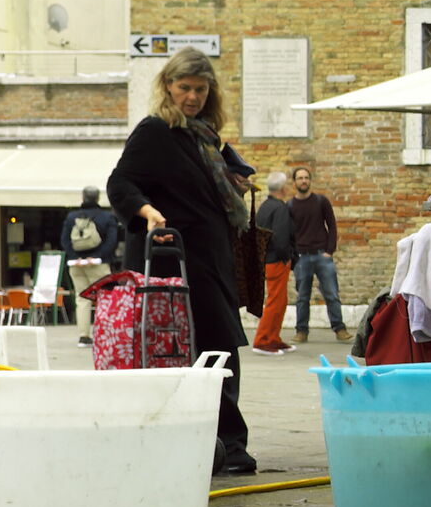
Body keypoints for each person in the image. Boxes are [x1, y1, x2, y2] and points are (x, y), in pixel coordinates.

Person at [104, 47, 258, 475]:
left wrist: (232, 184)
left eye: (200, 89)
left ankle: (229, 442)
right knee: (179, 349)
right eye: (184, 87)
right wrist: (147, 210)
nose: (192, 96)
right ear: (168, 87)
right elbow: (120, 182)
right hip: (174, 262)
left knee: (222, 347)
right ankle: (198, 436)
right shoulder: (155, 130)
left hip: (211, 259)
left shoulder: (205, 135)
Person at [287, 164, 347, 343]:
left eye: (306, 178)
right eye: (300, 178)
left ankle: (340, 329)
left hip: (322, 255)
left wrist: (330, 251)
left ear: (310, 181)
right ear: (294, 182)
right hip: (301, 257)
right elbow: (287, 233)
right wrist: (293, 256)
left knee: (332, 294)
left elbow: (332, 225)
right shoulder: (289, 205)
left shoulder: (321, 201)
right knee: (302, 297)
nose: (304, 181)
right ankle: (301, 331)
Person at [58, 185, 121, 346]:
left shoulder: (72, 217)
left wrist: (76, 257)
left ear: (83, 197)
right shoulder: (107, 217)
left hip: (76, 265)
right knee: (104, 298)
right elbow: (112, 241)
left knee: (82, 299)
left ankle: (84, 336)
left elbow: (65, 240)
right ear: (98, 198)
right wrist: (97, 257)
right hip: (99, 265)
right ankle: (104, 334)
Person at [250, 173, 297, 353]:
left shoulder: (265, 207)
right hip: (277, 260)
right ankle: (262, 340)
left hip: (267, 258)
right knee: (275, 301)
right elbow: (281, 236)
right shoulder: (279, 208)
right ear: (283, 188)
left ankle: (273, 337)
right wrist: (286, 257)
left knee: (280, 300)